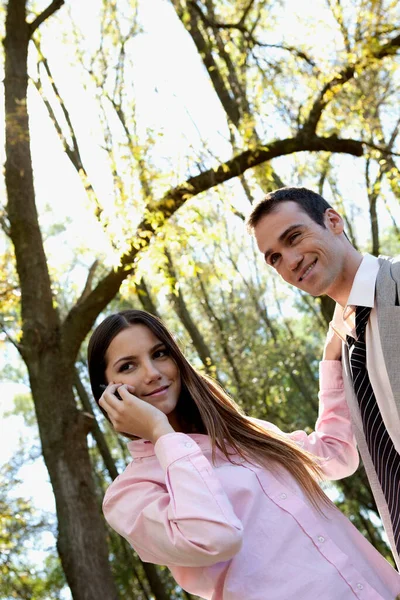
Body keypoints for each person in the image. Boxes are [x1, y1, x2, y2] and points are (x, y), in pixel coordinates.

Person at [87, 309, 400, 600]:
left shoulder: (242, 434)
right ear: (106, 390)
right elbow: (214, 537)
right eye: (128, 366)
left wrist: (332, 357)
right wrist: (160, 434)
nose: (152, 373)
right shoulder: (128, 495)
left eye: (159, 354)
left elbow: (335, 455)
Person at [247, 186, 400, 568]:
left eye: (294, 237)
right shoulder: (344, 349)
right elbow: (335, 456)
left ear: (333, 221)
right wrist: (240, 438)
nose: (291, 261)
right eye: (275, 258)